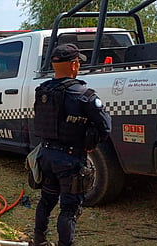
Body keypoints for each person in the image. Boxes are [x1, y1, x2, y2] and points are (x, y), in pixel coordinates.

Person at [31, 44, 112, 246]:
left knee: (46, 201)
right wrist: (91, 142)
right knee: (69, 209)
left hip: (46, 155)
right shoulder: (84, 95)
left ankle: (39, 239)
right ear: (75, 65)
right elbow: (105, 127)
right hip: (70, 159)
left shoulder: (43, 91)